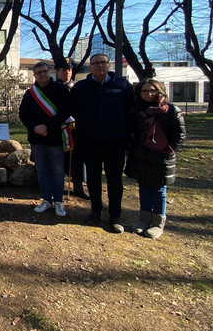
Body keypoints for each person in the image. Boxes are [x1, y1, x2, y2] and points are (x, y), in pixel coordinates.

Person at [70, 53, 134, 233]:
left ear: (109, 65)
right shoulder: (80, 87)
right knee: (93, 178)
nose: (100, 66)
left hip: (116, 141)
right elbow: (73, 110)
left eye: (103, 63)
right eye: (96, 63)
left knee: (114, 179)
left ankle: (115, 216)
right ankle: (95, 211)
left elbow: (131, 112)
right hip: (90, 141)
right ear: (90, 66)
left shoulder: (123, 86)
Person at [124, 79, 185, 239]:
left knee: (159, 190)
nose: (149, 94)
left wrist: (169, 151)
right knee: (143, 187)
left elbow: (179, 135)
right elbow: (131, 131)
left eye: (152, 90)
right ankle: (144, 220)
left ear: (160, 91)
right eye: (144, 91)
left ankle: (157, 223)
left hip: (161, 157)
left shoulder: (171, 110)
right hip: (140, 156)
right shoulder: (136, 111)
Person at [19, 61, 70, 217]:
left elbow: (65, 111)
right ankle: (46, 199)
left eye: (45, 72)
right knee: (41, 171)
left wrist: (47, 126)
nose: (42, 75)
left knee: (58, 171)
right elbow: (23, 114)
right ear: (34, 75)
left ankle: (59, 201)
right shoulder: (30, 93)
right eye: (39, 72)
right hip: (37, 138)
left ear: (50, 72)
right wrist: (36, 128)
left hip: (54, 136)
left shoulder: (61, 89)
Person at [55, 58, 89, 200]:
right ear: (57, 72)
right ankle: (57, 187)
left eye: (69, 70)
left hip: (76, 130)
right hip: (58, 130)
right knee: (59, 160)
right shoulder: (53, 88)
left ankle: (78, 187)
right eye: (64, 70)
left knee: (78, 160)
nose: (67, 73)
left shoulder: (78, 87)